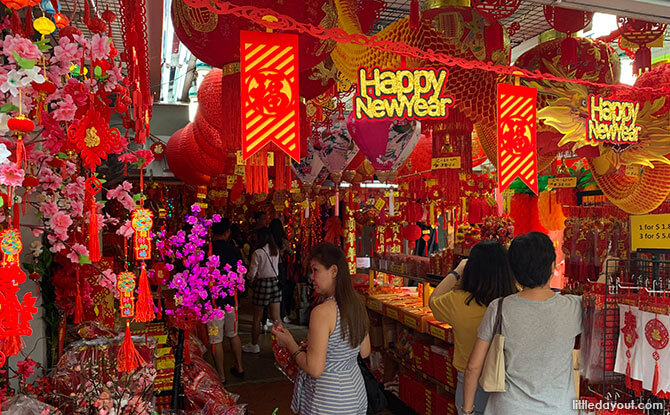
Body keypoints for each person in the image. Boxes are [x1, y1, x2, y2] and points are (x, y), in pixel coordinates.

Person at [462, 232, 582, 415]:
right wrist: (607, 270)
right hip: (559, 409)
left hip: (508, 408)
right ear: (552, 266)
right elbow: (598, 295)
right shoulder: (574, 307)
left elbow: (473, 367)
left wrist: (467, 411)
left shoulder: (500, 308)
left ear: (514, 271)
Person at [272, 242, 370, 415]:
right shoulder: (356, 303)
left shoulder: (322, 312)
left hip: (328, 400)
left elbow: (315, 368)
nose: (311, 277)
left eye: (315, 270)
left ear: (333, 271)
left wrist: (289, 343)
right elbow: (364, 351)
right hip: (356, 394)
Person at [429, 240, 518, 415]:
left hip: (471, 384)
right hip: (509, 380)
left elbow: (433, 301)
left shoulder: (457, 301)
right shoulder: (515, 300)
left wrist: (457, 271)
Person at [206, 219, 245, 382]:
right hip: (231, 301)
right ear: (227, 232)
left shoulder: (205, 252)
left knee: (216, 340)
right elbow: (240, 276)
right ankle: (240, 367)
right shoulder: (234, 251)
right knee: (233, 334)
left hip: (213, 304)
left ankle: (221, 376)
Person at [242, 228, 281, 354]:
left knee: (257, 318)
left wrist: (248, 277)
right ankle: (282, 346)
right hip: (275, 282)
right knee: (276, 318)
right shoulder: (275, 250)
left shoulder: (258, 252)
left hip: (262, 284)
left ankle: (254, 345)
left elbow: (252, 273)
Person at [269, 218, 295, 323]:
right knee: (282, 290)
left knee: (270, 292)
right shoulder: (283, 241)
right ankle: (283, 314)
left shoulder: (269, 240)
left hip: (269, 267)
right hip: (280, 267)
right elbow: (291, 253)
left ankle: (268, 317)